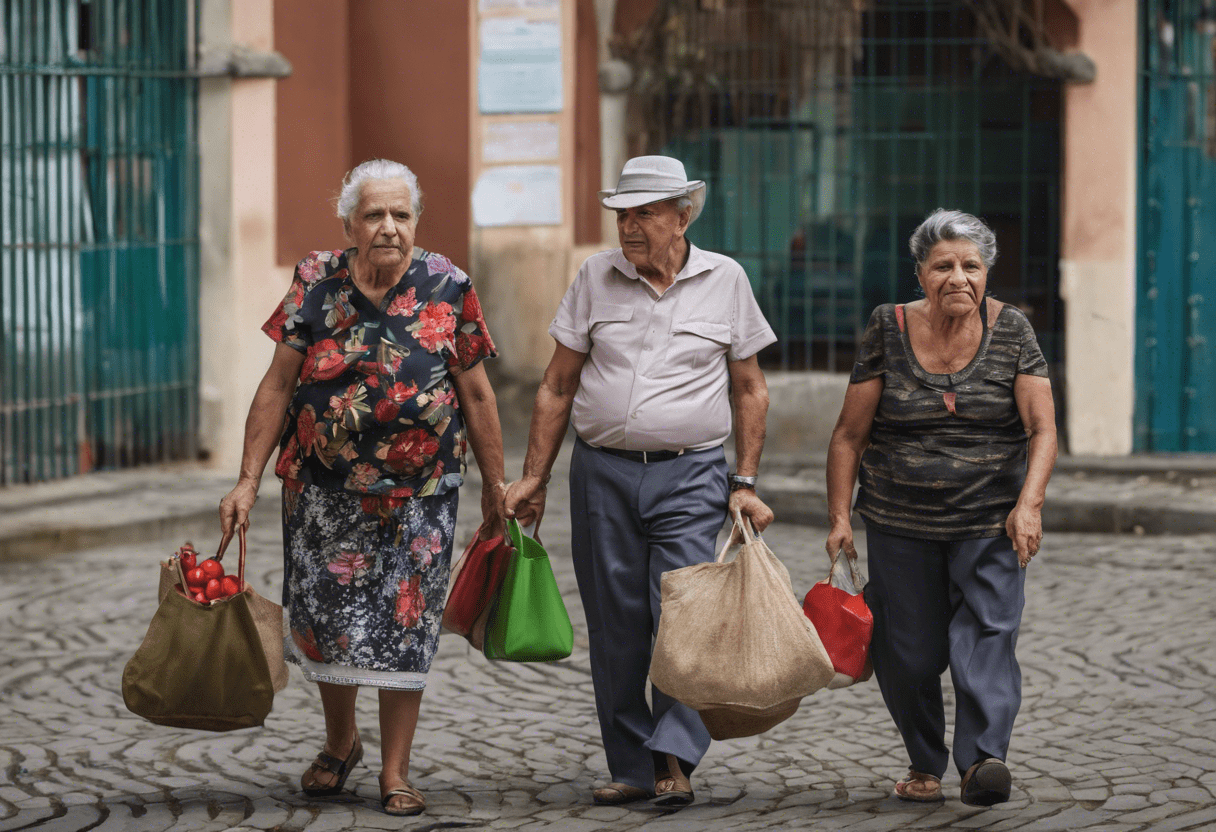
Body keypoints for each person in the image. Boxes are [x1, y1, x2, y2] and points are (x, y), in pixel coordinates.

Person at [218, 159, 504, 817]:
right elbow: (277, 383)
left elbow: (477, 390)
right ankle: (340, 741)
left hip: (421, 493)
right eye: (373, 215)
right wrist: (246, 479)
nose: (388, 228)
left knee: (407, 623)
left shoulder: (447, 285)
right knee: (330, 624)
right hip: (323, 492)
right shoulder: (316, 280)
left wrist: (498, 484)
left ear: (415, 221)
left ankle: (396, 770)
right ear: (349, 222)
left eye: (401, 215)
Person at [503, 156, 777, 808]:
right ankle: (631, 765)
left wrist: (744, 479)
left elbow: (750, 388)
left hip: (691, 473)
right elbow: (556, 384)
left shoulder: (726, 280)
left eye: (645, 214)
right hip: (602, 472)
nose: (629, 227)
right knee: (617, 620)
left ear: (682, 217)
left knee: (682, 613)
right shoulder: (596, 277)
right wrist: (534, 478)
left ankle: (674, 756)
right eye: (623, 214)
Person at [825, 209, 1056, 806]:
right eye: (943, 266)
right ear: (921, 274)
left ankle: (983, 762)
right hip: (900, 521)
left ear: (987, 273)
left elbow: (1042, 429)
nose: (958, 277)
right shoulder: (888, 327)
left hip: (989, 519)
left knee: (988, 634)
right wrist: (840, 518)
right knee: (908, 651)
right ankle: (924, 762)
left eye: (971, 265)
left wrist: (1028, 505)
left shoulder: (1014, 333)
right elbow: (849, 434)